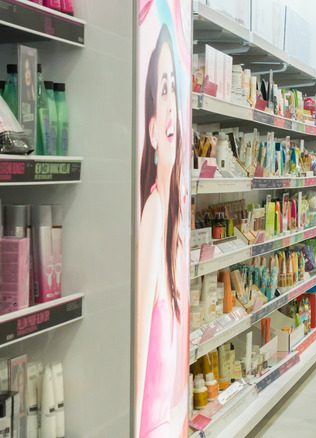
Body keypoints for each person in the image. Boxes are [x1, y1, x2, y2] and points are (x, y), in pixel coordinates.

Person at [137, 26, 187, 437]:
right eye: (163, 88)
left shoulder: (173, 220)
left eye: (175, 88)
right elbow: (137, 349)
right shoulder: (153, 212)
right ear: (152, 129)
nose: (171, 104)